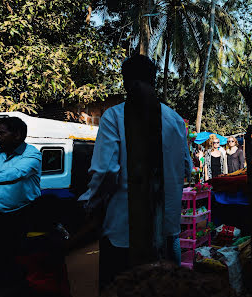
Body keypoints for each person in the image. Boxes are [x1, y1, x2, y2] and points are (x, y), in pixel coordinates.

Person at [79, 54, 192, 291]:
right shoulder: (174, 119)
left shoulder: (114, 116)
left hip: (124, 230)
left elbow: (106, 171)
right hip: (166, 227)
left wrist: (91, 205)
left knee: (123, 287)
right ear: (154, 79)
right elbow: (186, 168)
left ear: (125, 82)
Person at [0, 117, 42, 295]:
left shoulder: (32, 154)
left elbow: (18, 172)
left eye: (1, 133)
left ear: (17, 135)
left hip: (20, 215)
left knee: (15, 257)